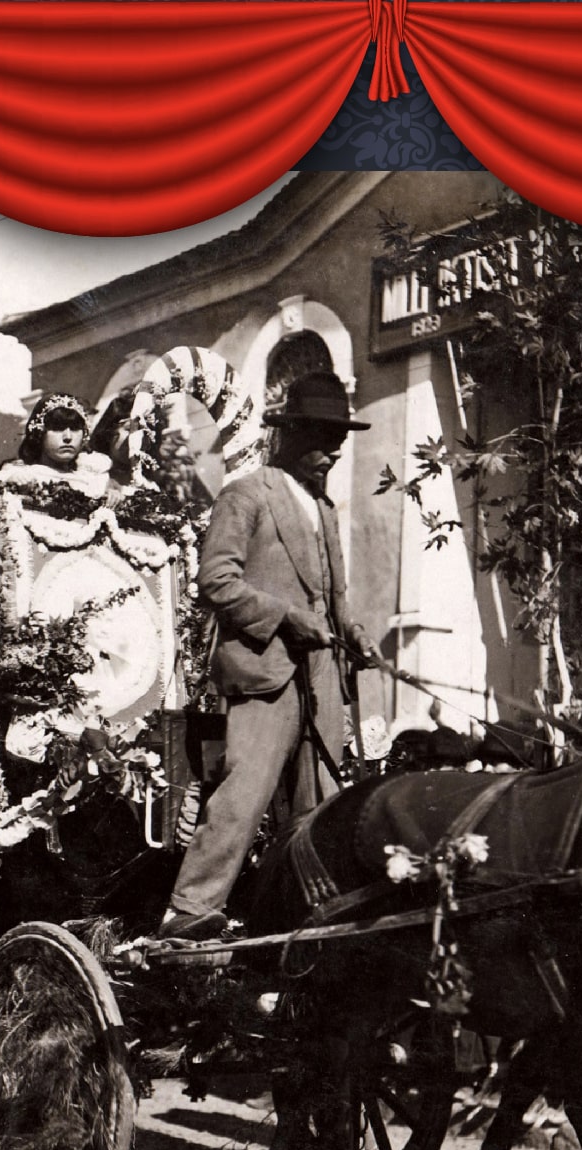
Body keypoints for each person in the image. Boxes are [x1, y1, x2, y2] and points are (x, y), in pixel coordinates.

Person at [157, 371, 379, 941]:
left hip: (321, 675)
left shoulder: (324, 508)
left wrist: (353, 632)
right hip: (265, 672)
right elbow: (215, 581)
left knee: (323, 803)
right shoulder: (247, 494)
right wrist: (284, 618)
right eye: (323, 439)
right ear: (290, 434)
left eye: (340, 440)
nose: (334, 451)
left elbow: (334, 596)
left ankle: (309, 919)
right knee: (245, 792)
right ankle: (188, 909)